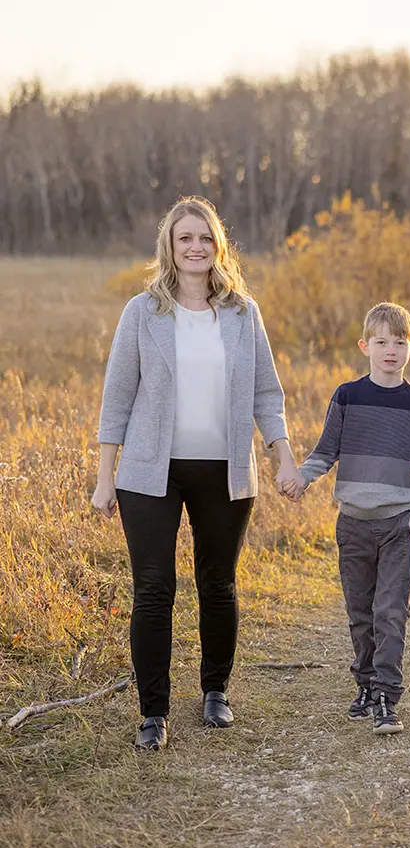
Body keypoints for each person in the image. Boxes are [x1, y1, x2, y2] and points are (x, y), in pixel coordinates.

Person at [91, 196, 302, 751]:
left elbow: (266, 393)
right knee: (154, 588)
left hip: (224, 471)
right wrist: (104, 476)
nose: (195, 247)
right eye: (185, 238)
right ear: (169, 246)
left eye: (205, 238)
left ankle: (215, 693)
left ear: (218, 246)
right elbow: (117, 399)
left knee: (218, 582)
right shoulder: (142, 312)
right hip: (148, 473)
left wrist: (282, 455)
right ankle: (153, 713)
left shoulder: (242, 313)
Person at [296, 302, 410, 734]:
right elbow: (325, 452)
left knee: (390, 613)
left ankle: (386, 697)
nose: (390, 350)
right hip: (353, 525)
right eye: (381, 341)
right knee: (360, 613)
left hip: (399, 526)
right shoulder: (347, 396)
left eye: (400, 342)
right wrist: (301, 479)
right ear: (365, 346)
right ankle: (363, 684)